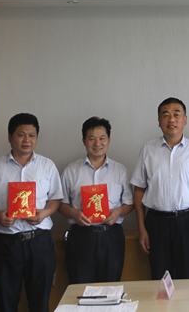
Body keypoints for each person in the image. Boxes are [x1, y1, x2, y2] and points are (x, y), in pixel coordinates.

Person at [0, 113, 63, 312]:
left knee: (40, 304)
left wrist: (44, 213)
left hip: (39, 242)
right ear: (10, 137)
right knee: (6, 304)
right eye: (21, 135)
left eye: (32, 135)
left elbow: (56, 198)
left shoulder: (47, 165)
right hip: (6, 242)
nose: (26, 140)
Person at [131, 97, 189, 279]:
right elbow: (138, 190)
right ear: (159, 121)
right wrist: (142, 228)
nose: (171, 119)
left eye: (176, 114)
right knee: (159, 278)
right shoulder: (148, 150)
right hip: (156, 223)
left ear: (185, 120)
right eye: (166, 115)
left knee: (187, 277)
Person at [59, 117, 133, 284]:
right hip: (81, 235)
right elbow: (61, 204)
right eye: (92, 138)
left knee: (110, 285)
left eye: (102, 138)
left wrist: (118, 212)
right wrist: (74, 213)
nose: (97, 143)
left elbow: (129, 203)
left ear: (109, 140)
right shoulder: (71, 170)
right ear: (84, 141)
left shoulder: (120, 170)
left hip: (111, 235)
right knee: (79, 286)